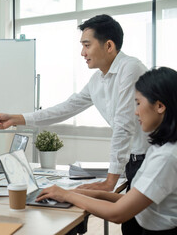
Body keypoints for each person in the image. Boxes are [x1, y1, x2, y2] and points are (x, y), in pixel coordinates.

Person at [0, 14, 150, 191]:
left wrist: (110, 181)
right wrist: (15, 119)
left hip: (149, 160)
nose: (83, 53)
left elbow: (124, 124)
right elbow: (65, 109)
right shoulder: (97, 80)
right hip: (133, 161)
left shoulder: (130, 68)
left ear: (109, 45)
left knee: (138, 217)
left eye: (87, 45)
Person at [36, 67, 177, 234]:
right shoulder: (161, 147)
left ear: (160, 106)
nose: (136, 112)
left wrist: (67, 196)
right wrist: (84, 193)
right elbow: (130, 200)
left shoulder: (166, 158)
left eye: (138, 103)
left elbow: (118, 213)